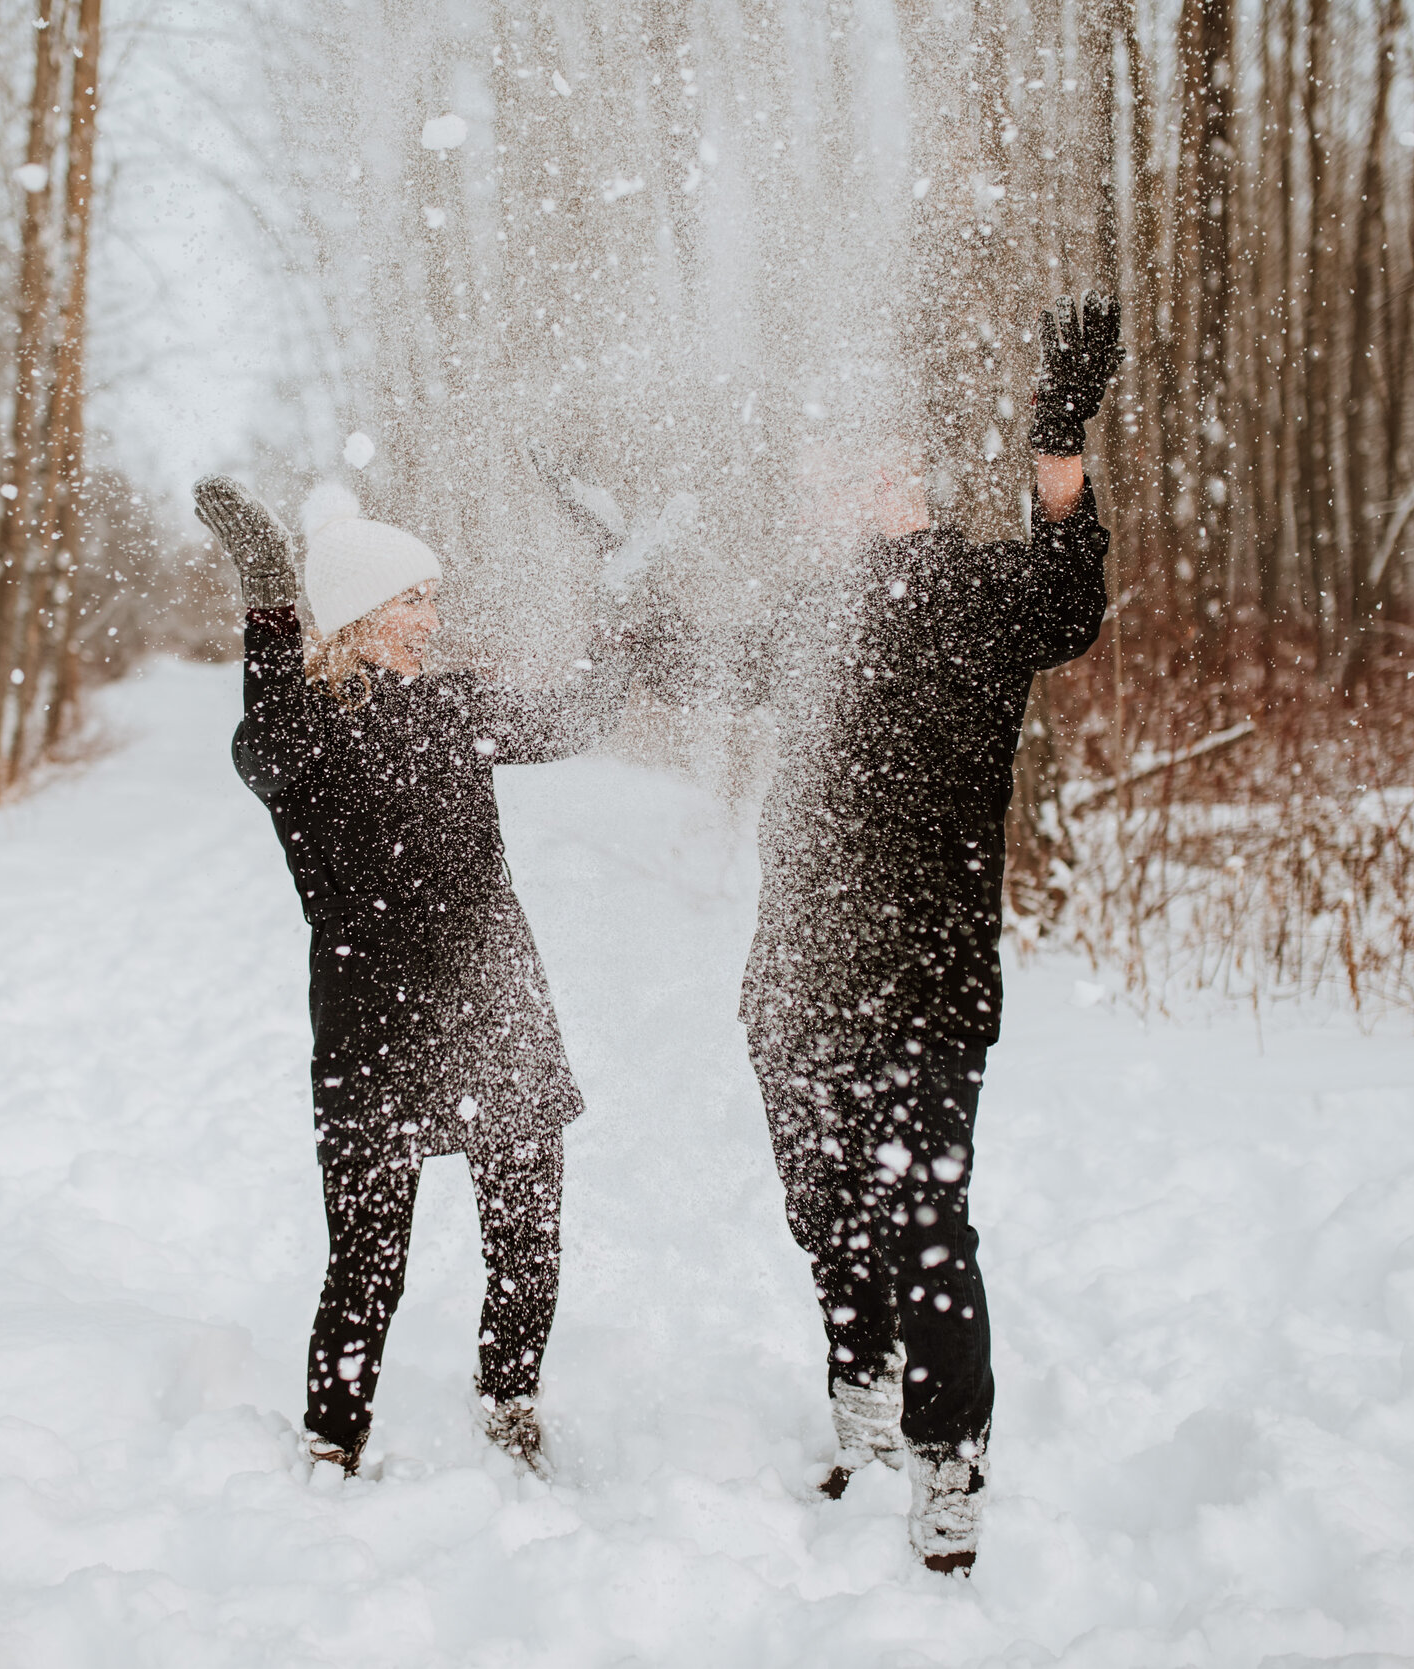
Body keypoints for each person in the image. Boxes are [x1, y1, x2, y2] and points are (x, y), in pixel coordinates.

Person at [741, 293, 1122, 1573]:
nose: (841, 481)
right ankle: (863, 1383)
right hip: (792, 973)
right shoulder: (801, 614)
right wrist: (622, 565)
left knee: (922, 1218)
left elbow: (1069, 599)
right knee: (823, 1206)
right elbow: (695, 659)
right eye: (822, 465)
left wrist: (1057, 453)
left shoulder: (976, 591)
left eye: (865, 456)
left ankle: (949, 1459)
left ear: (899, 469)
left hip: (922, 972)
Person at [194, 475, 636, 1479]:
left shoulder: (457, 705)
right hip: (373, 1023)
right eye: (412, 601)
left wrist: (610, 576)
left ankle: (512, 1400)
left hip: (493, 1004)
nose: (431, 621)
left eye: (433, 598)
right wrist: (268, 599)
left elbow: (586, 711)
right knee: (366, 1255)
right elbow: (260, 742)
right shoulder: (300, 734)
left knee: (526, 1234)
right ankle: (333, 1437)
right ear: (356, 613)